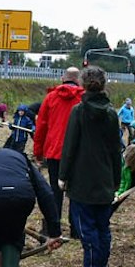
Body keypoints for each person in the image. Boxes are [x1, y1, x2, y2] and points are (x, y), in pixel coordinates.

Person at [59, 65, 123, 267]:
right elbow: (117, 149)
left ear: (82, 84)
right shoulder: (112, 114)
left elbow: (70, 146)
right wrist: (116, 179)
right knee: (102, 228)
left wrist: (63, 175)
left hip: (82, 180)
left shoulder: (79, 111)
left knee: (85, 227)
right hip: (105, 179)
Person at [30, 66, 83, 207]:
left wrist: (38, 152)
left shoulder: (50, 98)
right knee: (76, 191)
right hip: (77, 152)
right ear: (78, 80)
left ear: (62, 78)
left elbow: (40, 127)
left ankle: (52, 224)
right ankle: (76, 226)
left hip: (54, 150)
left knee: (55, 189)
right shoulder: (83, 98)